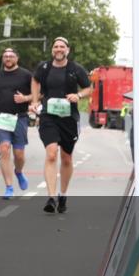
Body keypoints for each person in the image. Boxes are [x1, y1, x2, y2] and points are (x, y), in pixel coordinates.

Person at [31, 37, 92, 214]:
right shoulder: (44, 67)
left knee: (66, 158)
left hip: (68, 118)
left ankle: (62, 194)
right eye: (56, 46)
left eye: (62, 47)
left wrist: (78, 96)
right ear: (52, 50)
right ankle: (51, 197)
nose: (59, 49)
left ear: (67, 50)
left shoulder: (75, 69)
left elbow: (89, 88)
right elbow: (35, 81)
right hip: (48, 116)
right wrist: (35, 101)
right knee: (51, 154)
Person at [0, 48, 34, 200]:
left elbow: (37, 93)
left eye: (11, 56)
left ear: (17, 58)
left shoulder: (26, 75)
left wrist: (25, 99)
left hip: (19, 118)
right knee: (4, 149)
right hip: (2, 118)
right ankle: (9, 187)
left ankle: (18, 172)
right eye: (5, 56)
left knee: (19, 154)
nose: (8, 58)